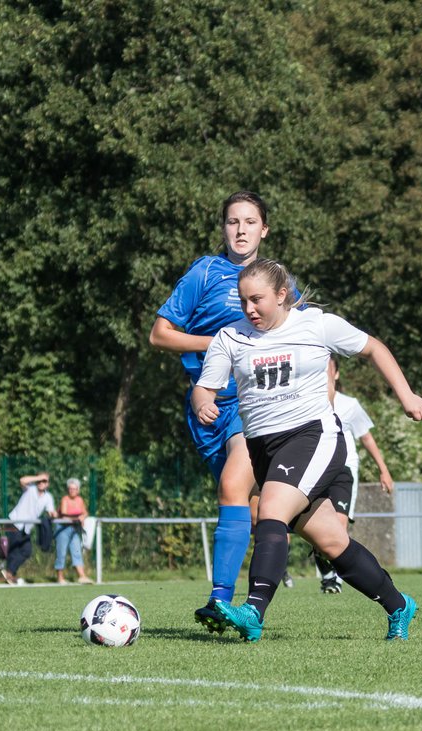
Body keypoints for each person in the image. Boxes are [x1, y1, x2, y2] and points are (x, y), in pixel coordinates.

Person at [191, 258, 422, 642]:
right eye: (243, 300)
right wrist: (202, 402)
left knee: (270, 510)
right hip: (263, 449)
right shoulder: (230, 338)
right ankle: (399, 604)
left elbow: (375, 349)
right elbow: (205, 387)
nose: (249, 308)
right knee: (333, 542)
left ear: (282, 295)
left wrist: (407, 395)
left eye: (258, 299)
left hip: (313, 436)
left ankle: (252, 610)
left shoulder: (317, 323)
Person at [149, 191, 280, 629]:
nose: (240, 230)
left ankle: (221, 600)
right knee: (257, 508)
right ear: (223, 228)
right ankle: (253, 611)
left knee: (232, 486)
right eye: (232, 222)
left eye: (249, 222)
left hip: (254, 403)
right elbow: (160, 335)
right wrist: (217, 344)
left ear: (264, 229)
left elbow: (300, 338)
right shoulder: (204, 273)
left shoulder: (278, 281)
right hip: (205, 406)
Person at [314, 355, 396, 594]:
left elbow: (366, 437)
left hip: (344, 469)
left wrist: (384, 470)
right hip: (314, 469)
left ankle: (339, 577)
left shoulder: (349, 404)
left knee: (339, 526)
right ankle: (329, 575)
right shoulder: (307, 403)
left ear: (336, 374)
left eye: (329, 367)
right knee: (316, 529)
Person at [1, 472, 56, 585]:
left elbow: (51, 511)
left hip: (26, 528)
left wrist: (54, 514)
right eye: (40, 481)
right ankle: (9, 573)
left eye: (44, 481)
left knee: (26, 551)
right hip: (14, 523)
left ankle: (9, 572)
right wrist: (39, 477)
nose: (41, 483)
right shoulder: (30, 489)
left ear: (48, 484)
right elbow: (22, 480)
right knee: (14, 550)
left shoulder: (48, 497)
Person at [53, 478, 94, 584]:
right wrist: (78, 518)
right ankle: (60, 577)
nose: (72, 491)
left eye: (74, 489)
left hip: (74, 529)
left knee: (77, 551)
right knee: (61, 552)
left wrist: (82, 517)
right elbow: (65, 514)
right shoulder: (65, 499)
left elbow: (85, 513)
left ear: (78, 490)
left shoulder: (80, 500)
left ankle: (82, 576)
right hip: (63, 528)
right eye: (70, 488)